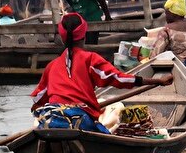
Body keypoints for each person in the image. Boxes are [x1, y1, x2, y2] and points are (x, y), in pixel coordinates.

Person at [31, 13, 170, 133]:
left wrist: (37, 109)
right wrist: (157, 81)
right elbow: (119, 79)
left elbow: (37, 99)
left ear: (62, 38)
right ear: (84, 35)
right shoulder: (90, 59)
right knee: (101, 131)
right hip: (80, 117)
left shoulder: (51, 66)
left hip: (52, 115)